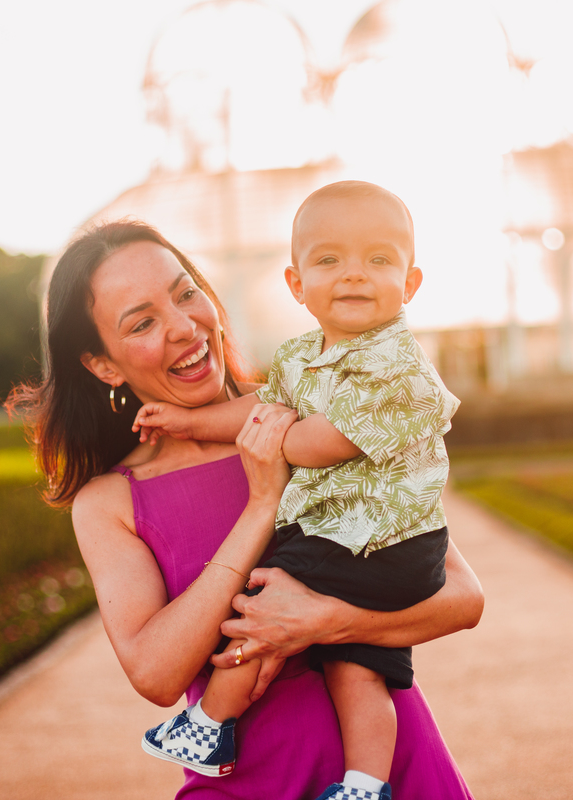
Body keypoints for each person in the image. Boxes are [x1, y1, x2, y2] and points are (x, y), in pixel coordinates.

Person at [7, 218, 481, 800]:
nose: (184, 326)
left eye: (186, 293)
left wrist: (326, 621)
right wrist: (262, 505)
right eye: (143, 322)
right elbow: (155, 674)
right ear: (103, 364)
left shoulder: (319, 422)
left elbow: (463, 598)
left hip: (394, 772)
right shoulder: (111, 501)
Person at [133, 181, 458, 800]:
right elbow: (262, 408)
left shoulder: (398, 365)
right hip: (373, 542)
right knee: (359, 670)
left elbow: (316, 442)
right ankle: (365, 786)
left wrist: (267, 442)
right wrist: (192, 421)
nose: (355, 274)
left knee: (256, 607)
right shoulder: (303, 355)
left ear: (411, 284)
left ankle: (209, 724)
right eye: (330, 259)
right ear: (296, 284)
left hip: (372, 541)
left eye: (379, 259)